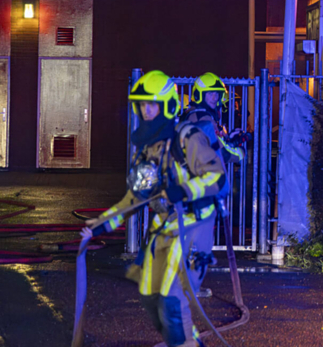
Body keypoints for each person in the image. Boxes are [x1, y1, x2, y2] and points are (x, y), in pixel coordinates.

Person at [82, 70, 225, 347]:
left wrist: (183, 190)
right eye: (142, 105)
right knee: (150, 294)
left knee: (172, 299)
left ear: (168, 106)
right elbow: (135, 198)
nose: (146, 112)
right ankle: (186, 340)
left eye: (152, 105)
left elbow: (218, 177)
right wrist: (98, 226)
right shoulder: (147, 150)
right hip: (165, 229)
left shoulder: (188, 138)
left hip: (194, 229)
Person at [178, 73, 245, 295]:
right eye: (210, 94)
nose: (215, 98)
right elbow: (221, 152)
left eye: (217, 93)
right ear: (200, 95)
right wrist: (239, 150)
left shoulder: (191, 116)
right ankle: (191, 287)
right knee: (201, 240)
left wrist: (229, 139)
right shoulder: (205, 120)